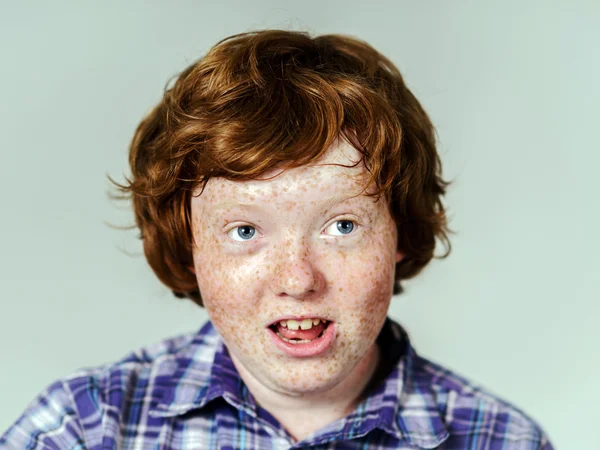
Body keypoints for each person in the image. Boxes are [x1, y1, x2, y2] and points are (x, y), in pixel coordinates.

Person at [0, 29, 554, 449]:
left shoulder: (502, 440)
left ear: (401, 232)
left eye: (342, 226)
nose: (297, 279)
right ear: (189, 249)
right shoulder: (85, 427)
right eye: (245, 230)